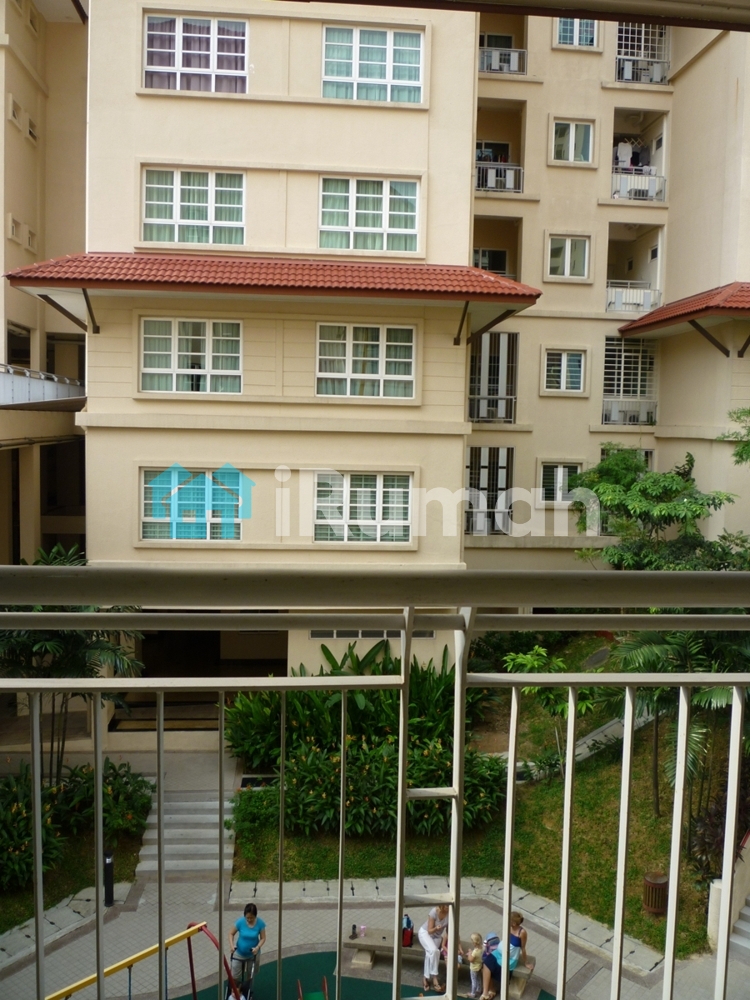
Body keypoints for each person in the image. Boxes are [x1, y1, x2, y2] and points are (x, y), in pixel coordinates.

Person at [480, 914, 532, 1000]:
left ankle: (492, 991)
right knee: (485, 963)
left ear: (514, 923)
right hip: (498, 953)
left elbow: (523, 948)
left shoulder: (522, 933)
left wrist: (526, 962)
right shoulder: (509, 927)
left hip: (510, 958)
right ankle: (486, 992)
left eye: (509, 920)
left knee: (491, 967)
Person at [229, 903, 266, 989]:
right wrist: (231, 945)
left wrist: (257, 947)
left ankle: (247, 990)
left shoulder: (260, 924)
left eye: (251, 918)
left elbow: (263, 938)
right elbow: (231, 933)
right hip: (239, 952)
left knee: (250, 974)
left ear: (255, 916)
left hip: (253, 954)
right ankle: (234, 991)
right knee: (234, 975)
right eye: (247, 918)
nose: (249, 919)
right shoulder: (240, 922)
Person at [418, 903, 449, 992]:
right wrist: (436, 928)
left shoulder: (450, 913)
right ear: (442, 906)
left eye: (449, 906)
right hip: (426, 933)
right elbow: (429, 930)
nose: (448, 908)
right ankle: (435, 978)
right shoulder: (434, 912)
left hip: (437, 937)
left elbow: (449, 930)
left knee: (430, 953)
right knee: (434, 951)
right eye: (446, 906)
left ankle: (425, 978)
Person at [466, 932, 484, 999]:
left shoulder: (475, 952)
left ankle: (473, 993)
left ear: (474, 943)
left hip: (474, 968)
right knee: (479, 978)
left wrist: (469, 953)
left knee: (474, 980)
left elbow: (470, 959)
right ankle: (479, 989)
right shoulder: (481, 948)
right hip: (479, 966)